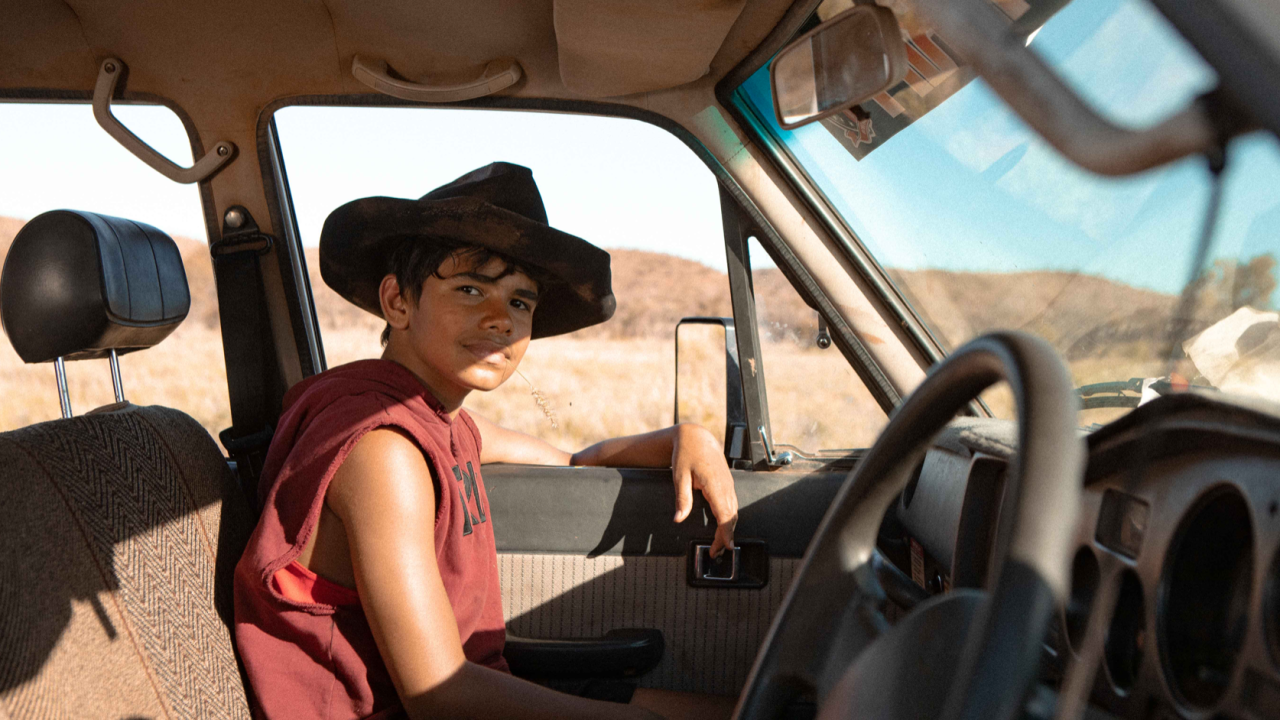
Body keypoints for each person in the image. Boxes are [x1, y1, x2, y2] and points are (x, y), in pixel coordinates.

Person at [234, 162, 740, 720]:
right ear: (398, 301)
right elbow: (439, 696)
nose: (501, 319)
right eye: (471, 289)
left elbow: (574, 460)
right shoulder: (385, 452)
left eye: (520, 302)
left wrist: (685, 437)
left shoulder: (443, 422)